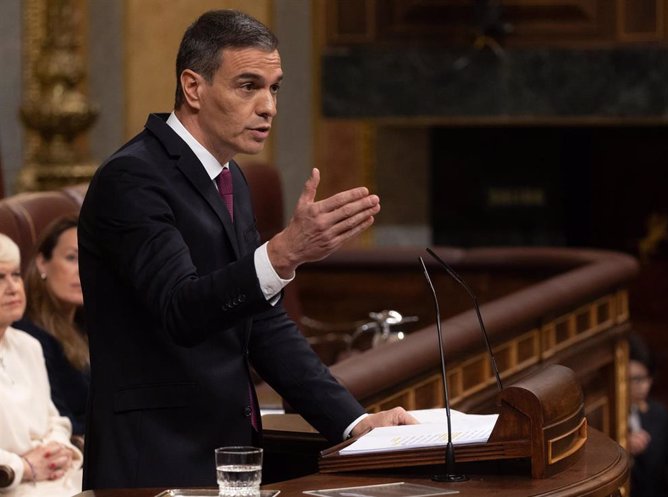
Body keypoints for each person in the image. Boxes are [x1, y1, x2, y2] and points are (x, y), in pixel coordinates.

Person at [78, 9, 417, 490]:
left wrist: (354, 425)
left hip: (228, 453)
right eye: (248, 86)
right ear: (193, 87)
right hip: (154, 460)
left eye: (274, 88)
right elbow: (181, 309)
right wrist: (282, 255)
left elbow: (261, 324)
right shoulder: (133, 178)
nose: (268, 107)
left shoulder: (228, 175)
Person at [0, 233, 82, 497]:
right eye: (0, 278)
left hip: (58, 479)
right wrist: (24, 467)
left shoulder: (28, 345)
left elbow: (55, 420)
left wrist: (56, 450)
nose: (12, 287)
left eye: (15, 275)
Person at [13, 216, 89, 442]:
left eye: (88, 258)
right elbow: (59, 419)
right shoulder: (30, 336)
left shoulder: (90, 323)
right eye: (72, 258)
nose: (82, 269)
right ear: (42, 263)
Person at [628, 332, 668, 497]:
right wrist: (622, 448)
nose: (644, 386)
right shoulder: (604, 417)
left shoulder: (659, 415)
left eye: (647, 378)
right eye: (635, 379)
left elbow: (666, 479)